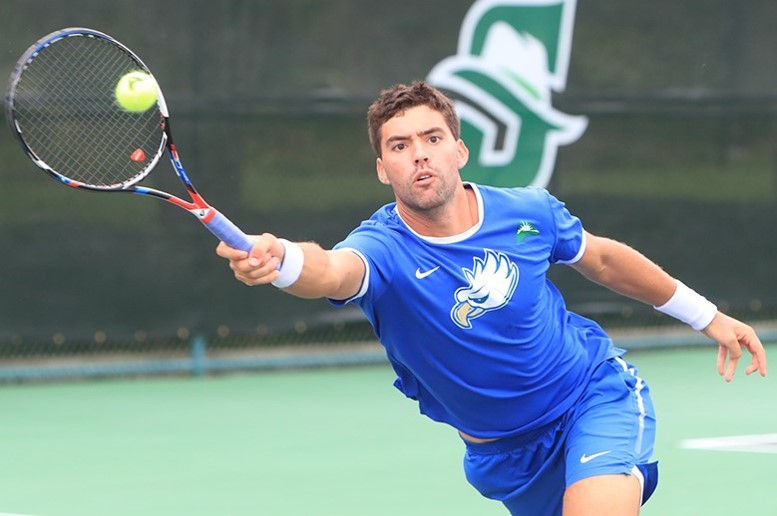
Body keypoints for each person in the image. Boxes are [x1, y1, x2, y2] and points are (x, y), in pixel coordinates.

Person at [216, 81, 767, 515]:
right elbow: (332, 272)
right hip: (504, 456)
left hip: (590, 397)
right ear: (384, 170)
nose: (420, 156)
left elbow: (600, 259)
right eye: (400, 146)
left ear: (459, 150)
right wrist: (282, 259)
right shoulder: (381, 249)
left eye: (433, 139)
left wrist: (706, 315)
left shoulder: (529, 211)